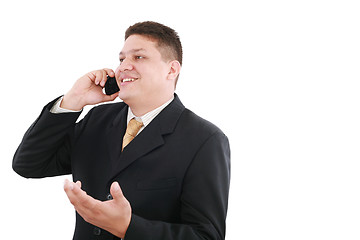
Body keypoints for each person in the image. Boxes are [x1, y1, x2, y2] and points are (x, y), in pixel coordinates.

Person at [13, 21, 230, 240]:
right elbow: (28, 164)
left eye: (138, 57)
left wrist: (128, 227)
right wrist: (74, 100)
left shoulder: (205, 140)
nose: (123, 66)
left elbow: (206, 236)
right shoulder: (97, 120)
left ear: (171, 70)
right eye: (121, 59)